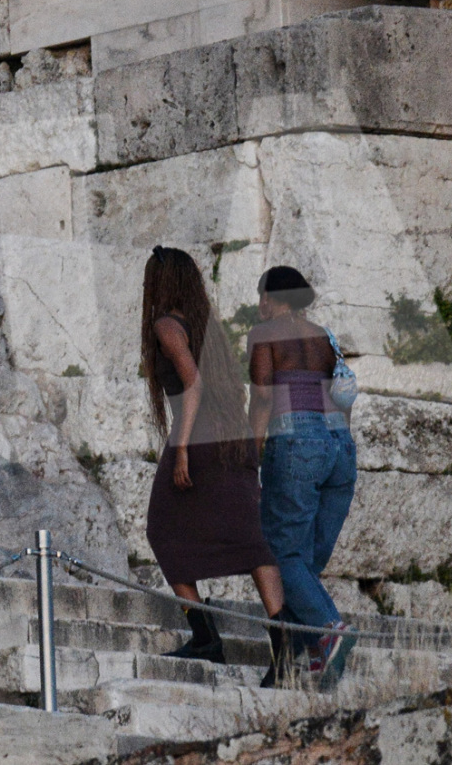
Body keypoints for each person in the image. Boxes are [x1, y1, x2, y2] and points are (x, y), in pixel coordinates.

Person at [139, 247, 285, 679]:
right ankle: (285, 645)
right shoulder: (207, 327)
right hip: (232, 439)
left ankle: (206, 638)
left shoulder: (166, 324)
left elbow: (193, 385)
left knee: (162, 529)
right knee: (250, 538)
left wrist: (180, 448)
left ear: (159, 283)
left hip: (199, 441)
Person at [247, 265, 358, 689]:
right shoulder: (324, 336)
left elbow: (261, 397)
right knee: (306, 559)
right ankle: (307, 656)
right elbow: (342, 395)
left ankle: (330, 631)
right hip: (340, 448)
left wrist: (249, 454)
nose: (259, 306)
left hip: (296, 444)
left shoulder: (267, 332)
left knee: (280, 554)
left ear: (275, 298)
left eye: (263, 296)